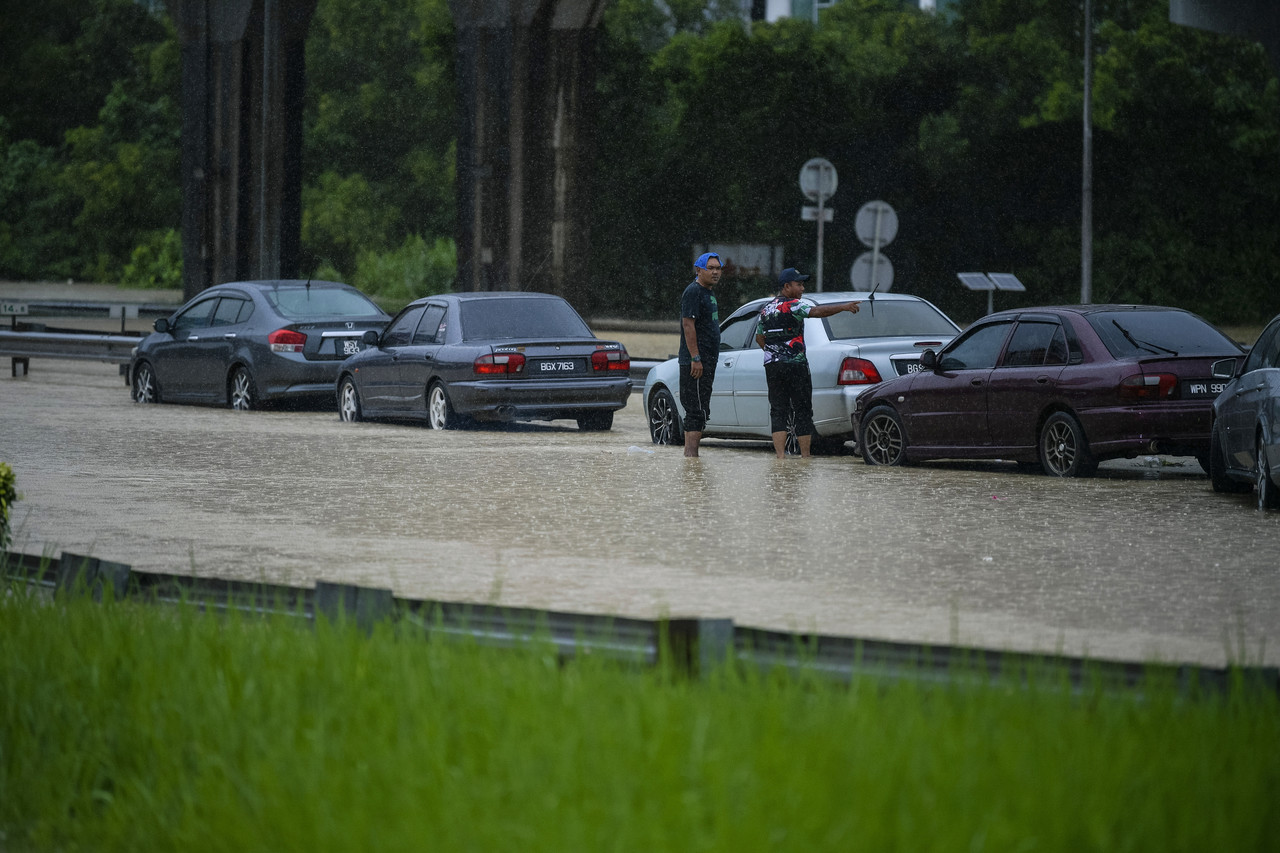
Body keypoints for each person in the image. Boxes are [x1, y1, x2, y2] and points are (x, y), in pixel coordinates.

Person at [754, 267, 860, 458]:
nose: (803, 289)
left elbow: (759, 338)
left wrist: (774, 353)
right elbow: (817, 311)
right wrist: (843, 307)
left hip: (773, 366)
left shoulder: (766, 309)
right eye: (799, 284)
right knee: (802, 409)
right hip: (796, 365)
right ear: (787, 286)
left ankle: (780, 458)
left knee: (778, 410)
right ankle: (805, 457)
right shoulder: (794, 305)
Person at [678, 252, 722, 457]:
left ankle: (690, 459)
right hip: (696, 362)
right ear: (699, 270)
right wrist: (695, 358)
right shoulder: (693, 292)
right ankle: (692, 457)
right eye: (710, 268)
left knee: (700, 409)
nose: (715, 272)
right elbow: (688, 325)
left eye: (718, 268)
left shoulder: (708, 292)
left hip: (707, 361)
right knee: (697, 411)